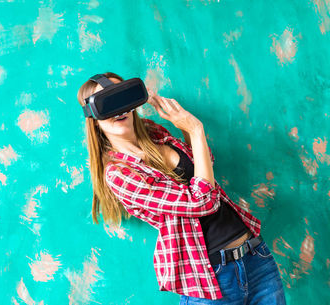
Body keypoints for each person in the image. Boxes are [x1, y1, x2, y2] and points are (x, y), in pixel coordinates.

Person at [77, 72, 287, 304]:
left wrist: (186, 128)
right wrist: (196, 129)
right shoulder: (119, 174)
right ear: (93, 116)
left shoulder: (153, 132)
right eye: (107, 102)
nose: (119, 109)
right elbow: (203, 201)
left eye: (122, 97)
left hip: (255, 257)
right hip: (210, 278)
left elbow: (205, 165)